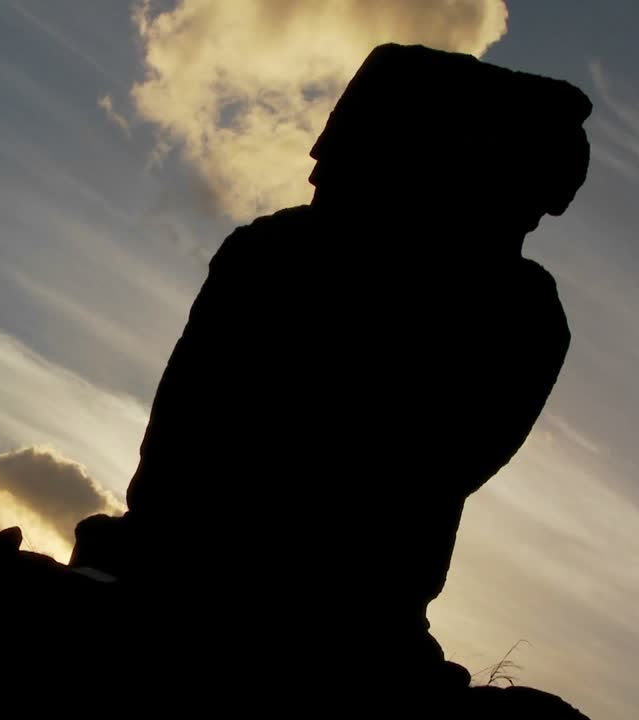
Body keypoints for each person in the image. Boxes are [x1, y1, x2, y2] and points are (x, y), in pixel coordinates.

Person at [73, 42, 592, 698]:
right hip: (218, 588)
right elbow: (181, 449)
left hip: (339, 619)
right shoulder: (270, 257)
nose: (318, 173)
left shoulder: (520, 314)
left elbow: (430, 470)